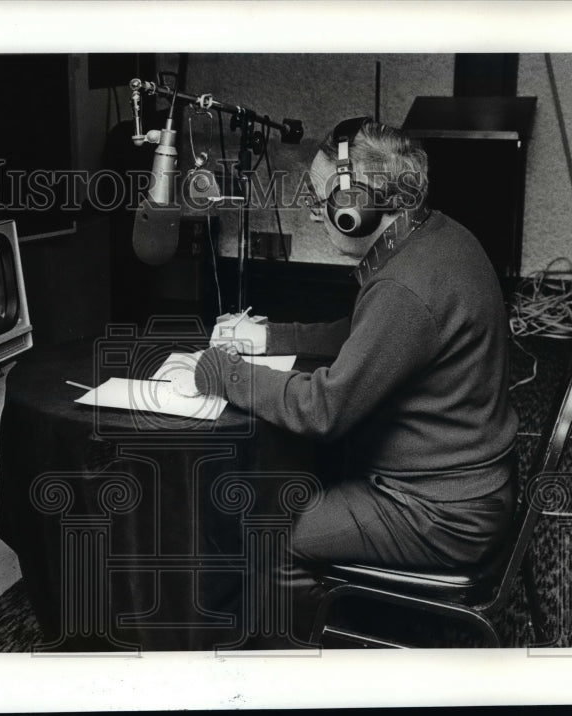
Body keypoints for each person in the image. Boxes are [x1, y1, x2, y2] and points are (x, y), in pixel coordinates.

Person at [178, 118, 520, 647]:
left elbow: (323, 409)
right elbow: (365, 335)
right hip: (471, 487)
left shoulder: (404, 287)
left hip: (440, 514)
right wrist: (270, 337)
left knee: (269, 534)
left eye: (321, 200)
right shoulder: (437, 237)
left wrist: (226, 373)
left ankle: (306, 663)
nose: (317, 213)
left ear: (356, 204)